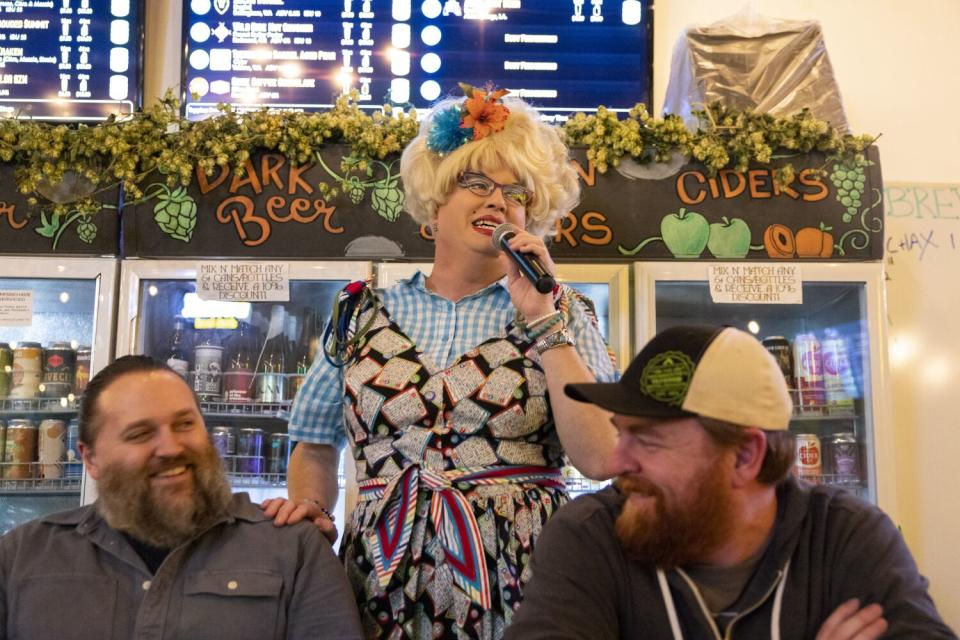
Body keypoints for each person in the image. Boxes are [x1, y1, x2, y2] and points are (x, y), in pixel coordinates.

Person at [262, 85, 619, 638]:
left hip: (526, 577)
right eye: (476, 183)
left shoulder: (565, 312)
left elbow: (602, 456)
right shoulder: (359, 312)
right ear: (435, 199)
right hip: (381, 577)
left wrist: (546, 323)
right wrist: (312, 508)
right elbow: (313, 442)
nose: (497, 201)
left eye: (515, 191)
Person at [505, 325, 956, 640]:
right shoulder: (588, 535)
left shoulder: (846, 538)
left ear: (744, 456)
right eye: (622, 431)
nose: (616, 460)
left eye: (649, 441)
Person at [0, 355, 363, 640]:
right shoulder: (19, 558)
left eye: (185, 424)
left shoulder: (294, 550)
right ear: (90, 458)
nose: (171, 447)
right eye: (140, 433)